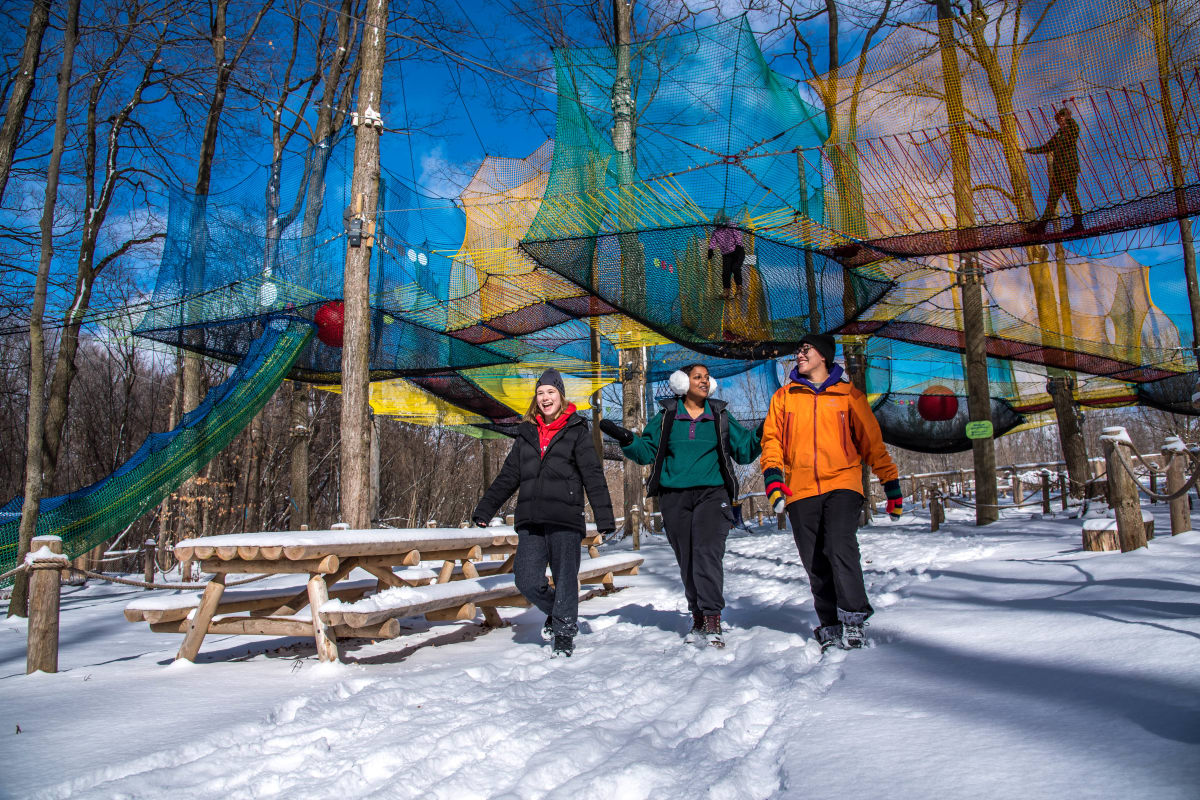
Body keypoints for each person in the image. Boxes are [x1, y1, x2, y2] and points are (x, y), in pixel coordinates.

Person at [599, 364, 761, 648]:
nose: (704, 380)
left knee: (707, 553)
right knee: (687, 557)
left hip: (713, 495)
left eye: (707, 377)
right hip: (675, 498)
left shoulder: (720, 414)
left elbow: (745, 450)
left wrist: (765, 429)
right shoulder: (667, 416)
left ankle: (712, 617)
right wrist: (626, 439)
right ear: (682, 383)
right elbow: (646, 451)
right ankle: (697, 615)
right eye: (697, 377)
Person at [760, 334, 903, 652]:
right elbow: (772, 442)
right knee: (814, 560)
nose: (799, 354)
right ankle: (830, 624)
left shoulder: (848, 395)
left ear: (823, 356)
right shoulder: (784, 398)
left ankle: (853, 619)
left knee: (840, 546)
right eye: (798, 349)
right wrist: (774, 478)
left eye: (805, 349)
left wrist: (890, 485)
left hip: (843, 484)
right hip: (800, 489)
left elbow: (872, 443)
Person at [472, 368, 615, 658]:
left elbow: (593, 475)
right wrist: (485, 509)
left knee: (565, 578)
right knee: (526, 579)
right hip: (531, 520)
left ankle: (563, 633)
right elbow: (508, 476)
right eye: (540, 393)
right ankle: (560, 612)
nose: (545, 397)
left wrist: (605, 519)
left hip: (565, 518)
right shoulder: (526, 434)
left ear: (561, 396)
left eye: (550, 392)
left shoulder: (576, 430)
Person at [1026, 105, 1083, 235]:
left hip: (1069, 170)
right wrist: (1027, 150)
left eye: (1061, 119)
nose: (1059, 122)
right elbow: (1045, 147)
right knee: (1051, 200)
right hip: (1058, 173)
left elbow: (1074, 128)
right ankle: (1041, 227)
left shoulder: (1072, 129)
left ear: (1066, 118)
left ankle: (1078, 224)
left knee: (1071, 196)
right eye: (1058, 120)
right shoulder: (1058, 135)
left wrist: (1068, 117)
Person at [707, 213, 745, 300]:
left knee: (735, 268)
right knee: (726, 273)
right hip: (726, 254)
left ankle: (739, 288)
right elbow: (713, 241)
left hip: (737, 251)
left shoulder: (732, 225)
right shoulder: (716, 231)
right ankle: (726, 292)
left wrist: (739, 245)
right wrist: (710, 249)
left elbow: (737, 235)